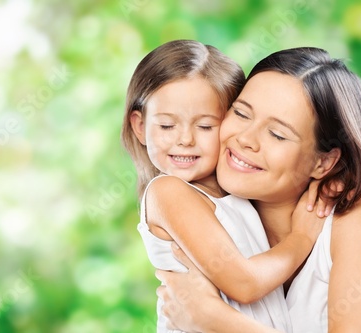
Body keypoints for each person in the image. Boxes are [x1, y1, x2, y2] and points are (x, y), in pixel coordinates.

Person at [155, 47, 361, 332]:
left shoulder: (355, 221)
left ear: (323, 162)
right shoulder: (200, 205)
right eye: (241, 113)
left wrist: (215, 321)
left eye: (277, 134)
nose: (246, 139)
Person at [121, 40, 335, 332]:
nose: (185, 139)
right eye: (167, 126)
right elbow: (244, 284)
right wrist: (301, 239)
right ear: (139, 126)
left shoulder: (240, 193)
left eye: (206, 126)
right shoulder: (167, 192)